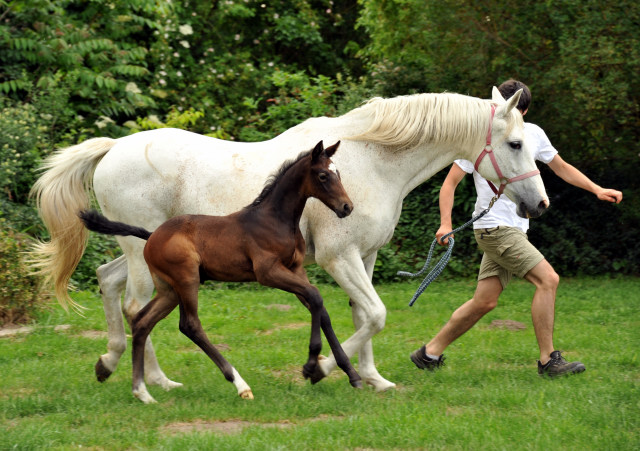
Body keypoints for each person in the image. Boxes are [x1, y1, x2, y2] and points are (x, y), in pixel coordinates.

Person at [410, 79, 623, 377]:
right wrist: (445, 222)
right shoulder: (481, 137)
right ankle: (549, 360)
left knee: (484, 301)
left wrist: (596, 188)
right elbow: (450, 184)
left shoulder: (532, 133)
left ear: (521, 110)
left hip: (514, 228)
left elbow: (561, 167)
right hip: (494, 228)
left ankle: (428, 354)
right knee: (548, 280)